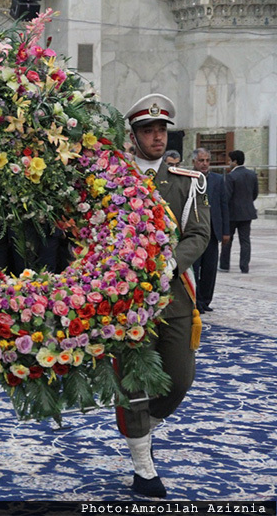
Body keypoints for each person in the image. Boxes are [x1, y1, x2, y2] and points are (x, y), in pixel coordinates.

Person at [119, 94, 210, 497]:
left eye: (161, 130)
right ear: (133, 136)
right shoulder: (113, 179)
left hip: (173, 295)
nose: (157, 137)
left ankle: (142, 426)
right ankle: (143, 465)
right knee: (134, 382)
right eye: (148, 130)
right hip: (125, 299)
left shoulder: (187, 182)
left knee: (180, 378)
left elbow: (199, 234)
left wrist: (170, 263)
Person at [191, 148, 229, 313]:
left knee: (210, 268)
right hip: (194, 232)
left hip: (212, 232)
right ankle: (195, 300)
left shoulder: (218, 180)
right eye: (201, 160)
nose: (205, 164)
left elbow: (224, 205)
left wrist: (225, 231)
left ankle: (206, 300)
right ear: (194, 162)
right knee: (194, 268)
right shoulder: (187, 179)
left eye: (207, 160)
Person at [220, 150, 258, 274]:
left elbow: (227, 196)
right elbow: (255, 193)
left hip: (232, 214)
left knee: (227, 239)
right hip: (247, 213)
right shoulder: (252, 174)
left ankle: (225, 265)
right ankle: (244, 266)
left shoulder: (231, 176)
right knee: (245, 240)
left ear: (235, 161)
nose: (229, 163)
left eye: (230, 160)